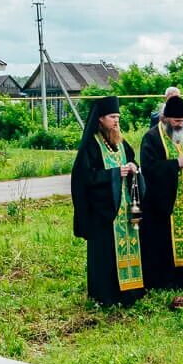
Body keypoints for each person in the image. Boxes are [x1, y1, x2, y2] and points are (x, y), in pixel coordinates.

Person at [70, 96, 145, 306]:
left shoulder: (121, 143)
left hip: (125, 206)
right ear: (101, 119)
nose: (116, 121)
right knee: (106, 254)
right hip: (104, 211)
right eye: (113, 117)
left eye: (118, 117)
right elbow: (83, 178)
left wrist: (132, 169)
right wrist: (113, 174)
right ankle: (107, 295)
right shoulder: (91, 146)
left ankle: (131, 291)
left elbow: (133, 161)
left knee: (130, 248)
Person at [139, 94, 183, 289]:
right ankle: (167, 281)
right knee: (163, 241)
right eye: (176, 121)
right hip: (163, 203)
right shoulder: (152, 137)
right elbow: (149, 168)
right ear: (165, 118)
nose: (179, 125)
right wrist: (174, 164)